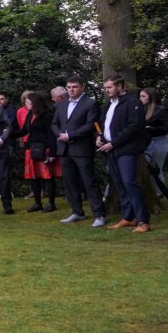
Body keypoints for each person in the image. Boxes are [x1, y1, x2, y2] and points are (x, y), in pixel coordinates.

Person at [97, 76, 150, 233]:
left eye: (109, 87)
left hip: (126, 150)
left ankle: (143, 221)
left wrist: (113, 143)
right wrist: (99, 138)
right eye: (105, 88)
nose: (106, 91)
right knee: (119, 184)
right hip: (110, 149)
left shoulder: (133, 102)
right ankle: (128, 217)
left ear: (120, 86)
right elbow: (102, 125)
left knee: (129, 183)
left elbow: (134, 127)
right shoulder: (108, 105)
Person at [52, 75, 107, 227]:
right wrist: (60, 135)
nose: (71, 90)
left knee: (89, 182)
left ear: (82, 87)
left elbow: (91, 125)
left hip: (82, 148)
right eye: (69, 87)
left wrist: (70, 135)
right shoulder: (62, 104)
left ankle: (99, 215)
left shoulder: (90, 103)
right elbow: (55, 123)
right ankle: (77, 212)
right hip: (64, 149)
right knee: (69, 183)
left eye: (74, 87)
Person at [19, 92, 59, 212]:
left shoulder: (47, 116)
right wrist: (6, 134)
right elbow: (24, 131)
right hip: (32, 149)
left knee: (48, 177)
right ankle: (37, 203)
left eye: (28, 102)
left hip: (45, 150)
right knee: (33, 177)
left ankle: (51, 203)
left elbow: (52, 135)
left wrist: (52, 153)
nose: (26, 104)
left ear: (35, 102)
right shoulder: (30, 114)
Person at [140, 88, 168, 198]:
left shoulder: (161, 110)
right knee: (145, 168)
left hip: (159, 141)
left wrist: (152, 129)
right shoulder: (142, 109)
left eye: (143, 96)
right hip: (146, 142)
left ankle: (159, 193)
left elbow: (167, 127)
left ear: (151, 97)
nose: (141, 98)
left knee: (156, 168)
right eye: (140, 96)